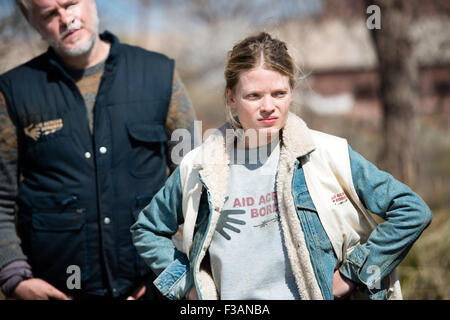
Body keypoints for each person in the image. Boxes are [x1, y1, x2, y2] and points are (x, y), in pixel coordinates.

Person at [130, 32, 433, 300]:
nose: (268, 107)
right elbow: (147, 230)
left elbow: (411, 211)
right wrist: (188, 286)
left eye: (279, 93)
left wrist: (352, 274)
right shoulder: (199, 166)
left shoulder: (328, 153)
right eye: (253, 95)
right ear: (231, 97)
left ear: (291, 91)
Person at [0, 0, 196, 300]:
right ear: (35, 25)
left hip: (153, 289)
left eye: (71, 4)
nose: (66, 19)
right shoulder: (13, 91)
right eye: (51, 14)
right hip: (57, 288)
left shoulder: (160, 74)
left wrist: (170, 274)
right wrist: (13, 277)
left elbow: (196, 185)